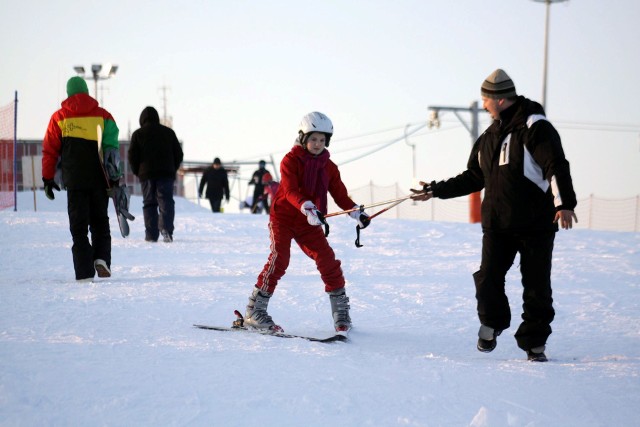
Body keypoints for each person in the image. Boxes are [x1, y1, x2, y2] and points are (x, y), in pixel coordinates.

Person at [411, 69, 578, 362]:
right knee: (488, 278)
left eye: (486, 100)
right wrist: (435, 191)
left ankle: (534, 344)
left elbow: (555, 164)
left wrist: (564, 204)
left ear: (499, 100)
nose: (484, 105)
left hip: (536, 224)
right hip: (498, 225)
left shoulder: (535, 127)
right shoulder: (489, 136)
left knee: (536, 286)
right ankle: (492, 323)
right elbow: (473, 177)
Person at [242, 112, 371, 334]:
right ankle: (255, 311)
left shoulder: (329, 167)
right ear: (303, 138)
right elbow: (290, 190)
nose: (317, 144)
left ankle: (341, 313)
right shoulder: (290, 161)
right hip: (284, 218)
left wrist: (356, 213)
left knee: (328, 261)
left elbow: (341, 196)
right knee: (279, 259)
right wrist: (307, 206)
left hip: (309, 223)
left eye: (322, 140)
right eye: (313, 139)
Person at [42, 76, 120, 281]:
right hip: (98, 180)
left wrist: (48, 178)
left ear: (68, 93)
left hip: (75, 182)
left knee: (78, 227)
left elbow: (50, 151)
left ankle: (84, 272)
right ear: (86, 91)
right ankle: (102, 258)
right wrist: (115, 178)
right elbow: (112, 151)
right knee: (100, 223)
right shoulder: (104, 116)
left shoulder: (59, 117)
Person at [128, 106, 184, 242]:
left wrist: (137, 171)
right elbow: (179, 154)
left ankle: (151, 235)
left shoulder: (138, 134)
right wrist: (173, 168)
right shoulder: (169, 133)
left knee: (149, 203)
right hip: (166, 173)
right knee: (166, 201)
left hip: (146, 174)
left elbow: (132, 156)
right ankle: (166, 230)